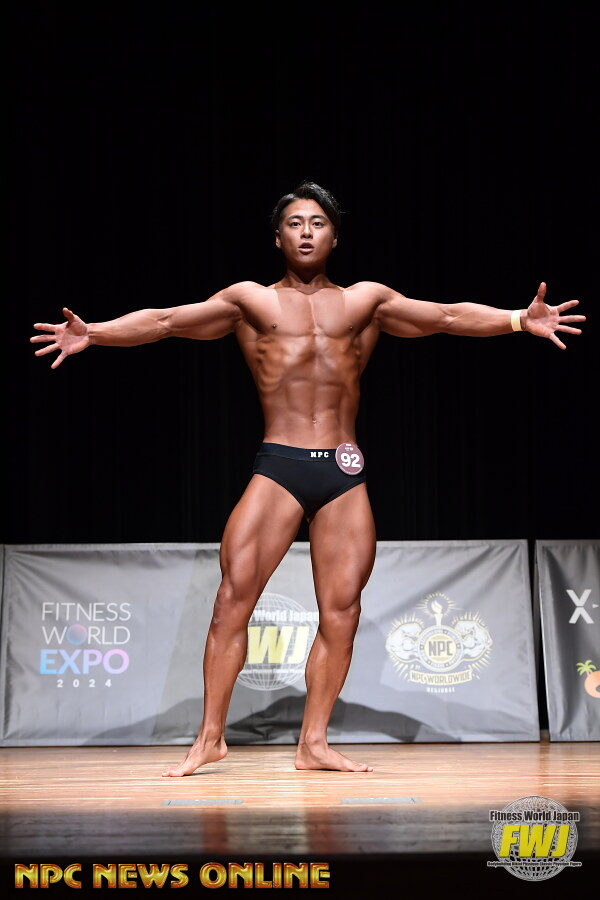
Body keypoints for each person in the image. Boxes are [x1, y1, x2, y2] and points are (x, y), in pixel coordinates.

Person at [31, 181, 585, 775]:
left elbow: (447, 316)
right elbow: (167, 321)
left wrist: (515, 320)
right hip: (281, 463)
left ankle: (313, 743)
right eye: (294, 223)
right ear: (278, 237)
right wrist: (96, 332)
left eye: (317, 223)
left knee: (342, 612)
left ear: (334, 237)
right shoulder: (250, 301)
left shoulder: (366, 301)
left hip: (343, 470)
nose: (305, 232)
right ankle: (210, 737)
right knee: (231, 602)